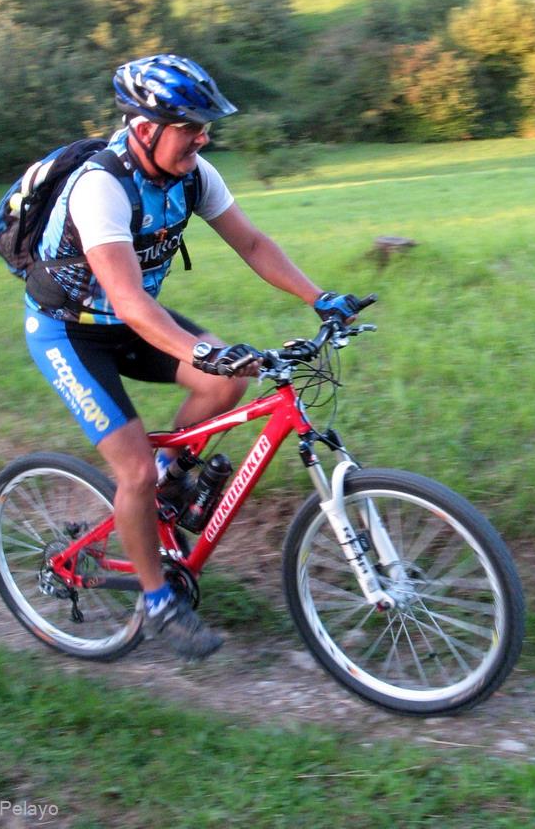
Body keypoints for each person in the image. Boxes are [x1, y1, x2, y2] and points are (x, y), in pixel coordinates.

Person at [24, 54, 363, 659]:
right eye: (190, 127)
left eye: (205, 127)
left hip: (133, 323)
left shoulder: (193, 175)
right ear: (144, 128)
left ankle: (167, 482)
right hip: (70, 333)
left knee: (226, 385)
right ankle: (157, 601)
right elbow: (129, 301)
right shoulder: (101, 188)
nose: (204, 138)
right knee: (132, 468)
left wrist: (320, 297)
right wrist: (204, 352)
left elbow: (252, 243)